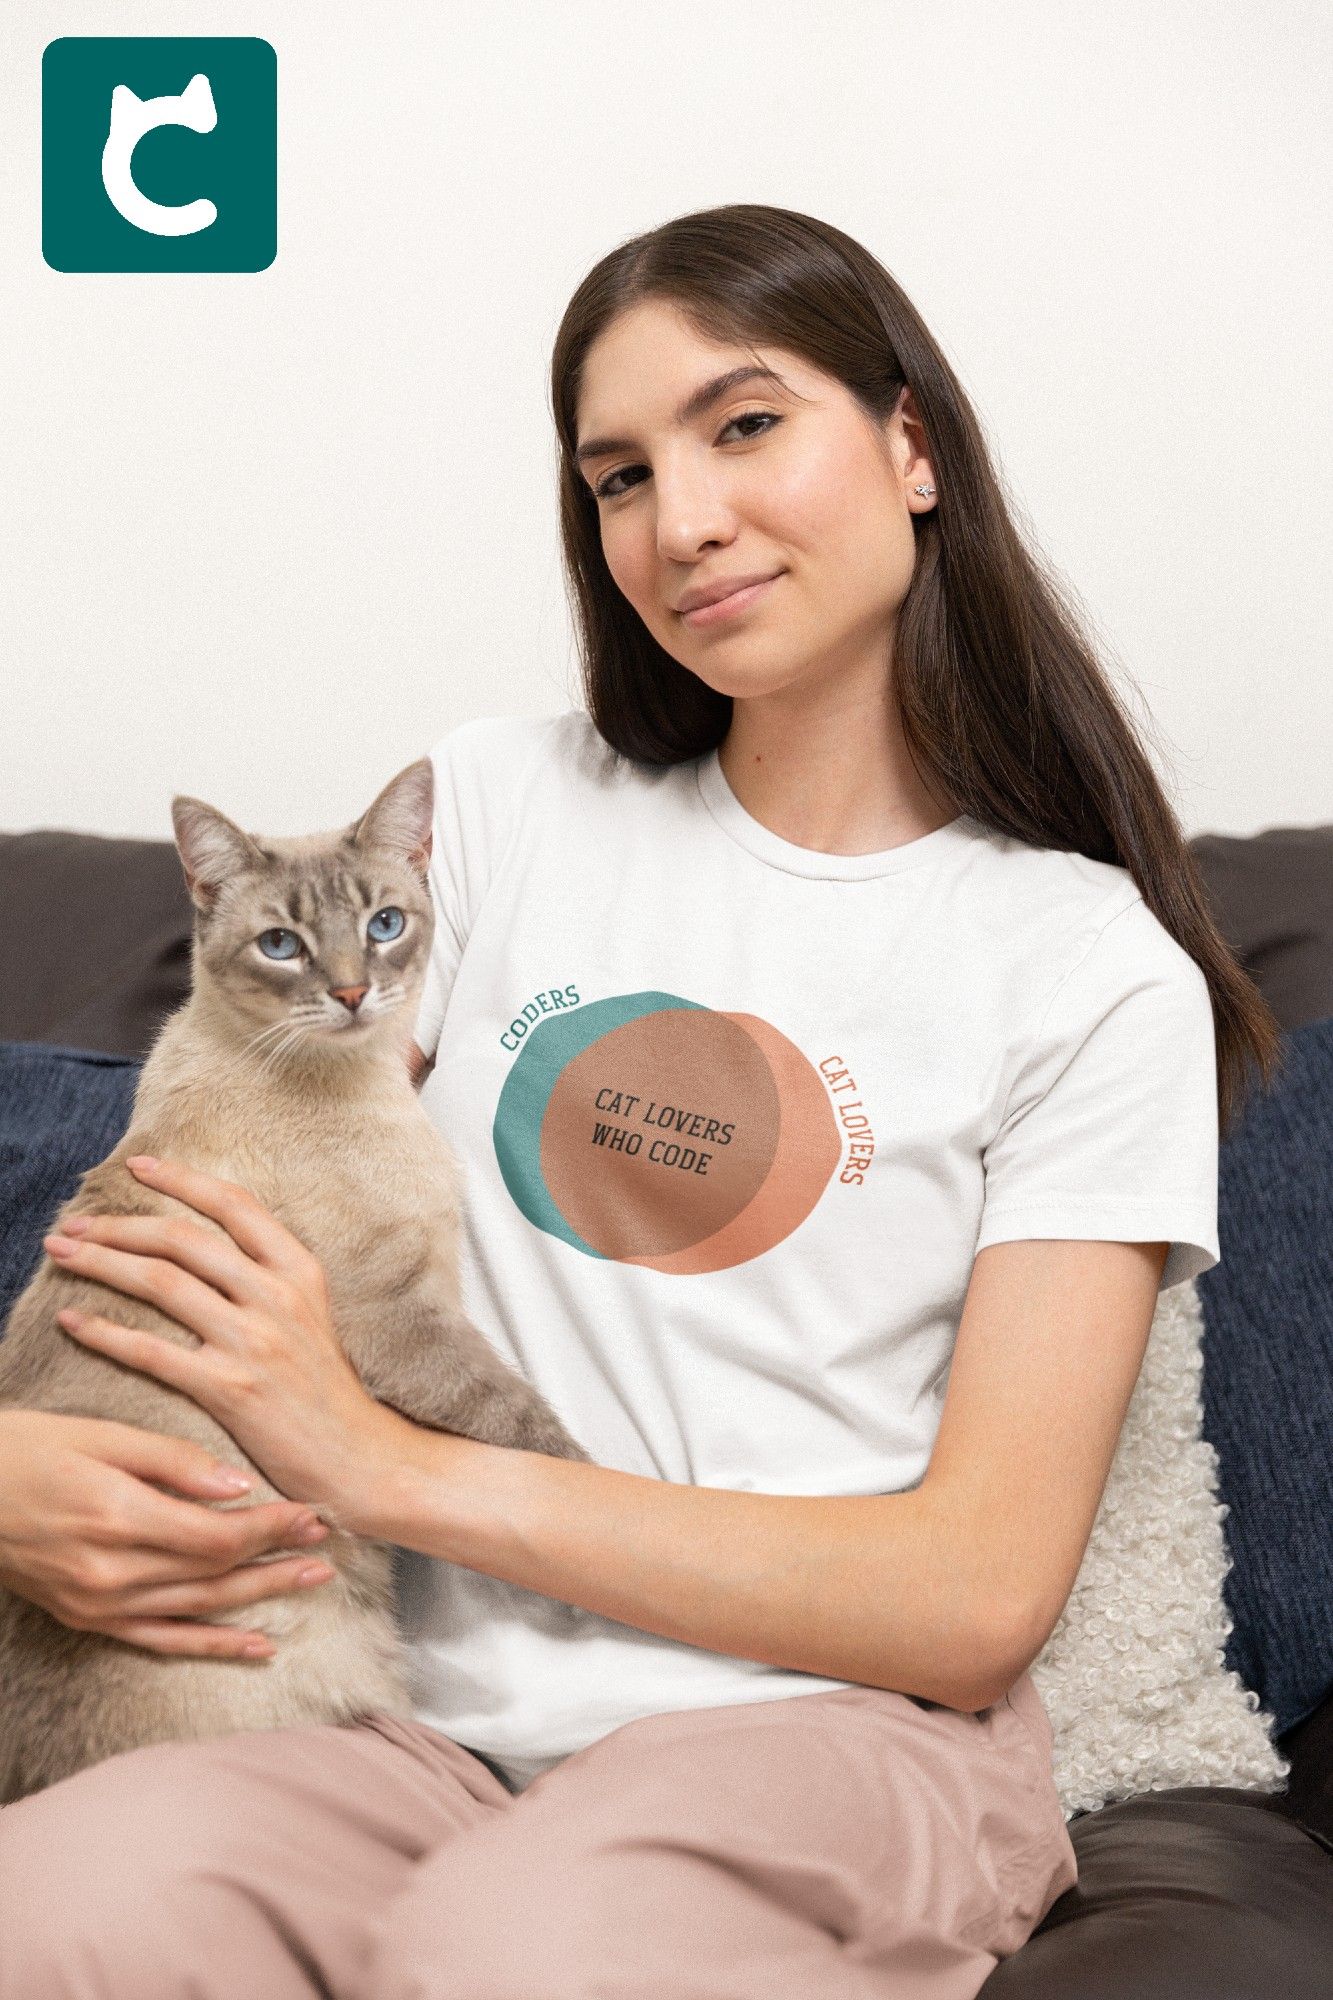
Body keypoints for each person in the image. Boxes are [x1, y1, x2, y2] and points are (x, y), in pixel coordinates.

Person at [0, 203, 1280, 1999]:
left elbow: (974, 1595)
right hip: (404, 1722)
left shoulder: (1086, 972)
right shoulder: (495, 810)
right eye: (615, 478)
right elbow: (235, 1164)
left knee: (524, 1951)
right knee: (50, 1907)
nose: (678, 524)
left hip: (823, 1733)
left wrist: (384, 1466)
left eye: (742, 425)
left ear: (912, 447)